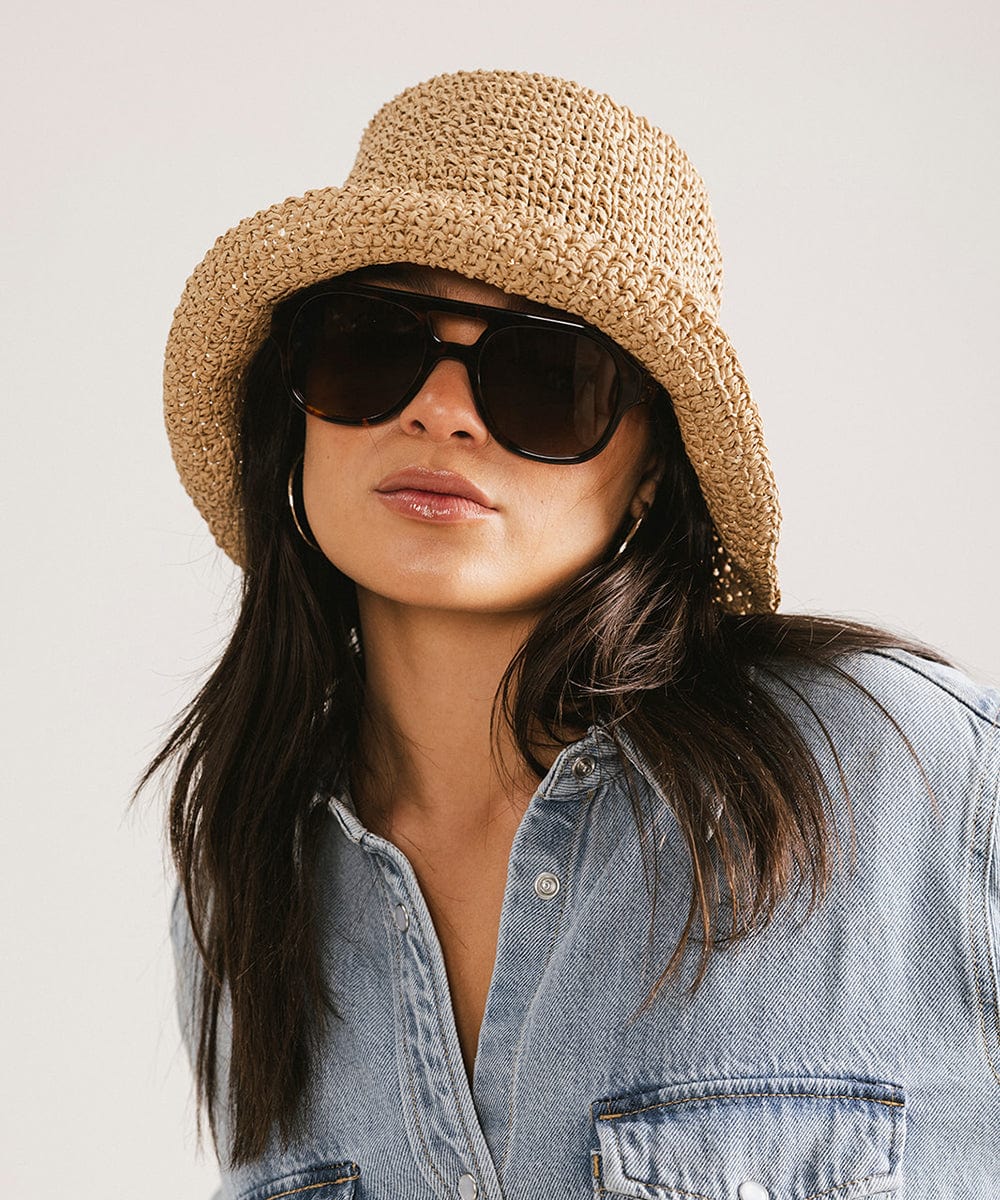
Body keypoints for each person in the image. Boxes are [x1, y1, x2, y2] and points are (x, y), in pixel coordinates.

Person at [140, 70, 1000, 1199]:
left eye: (546, 376)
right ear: (291, 412)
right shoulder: (251, 895)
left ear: (650, 470)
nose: (440, 410)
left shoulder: (906, 776)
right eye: (369, 347)